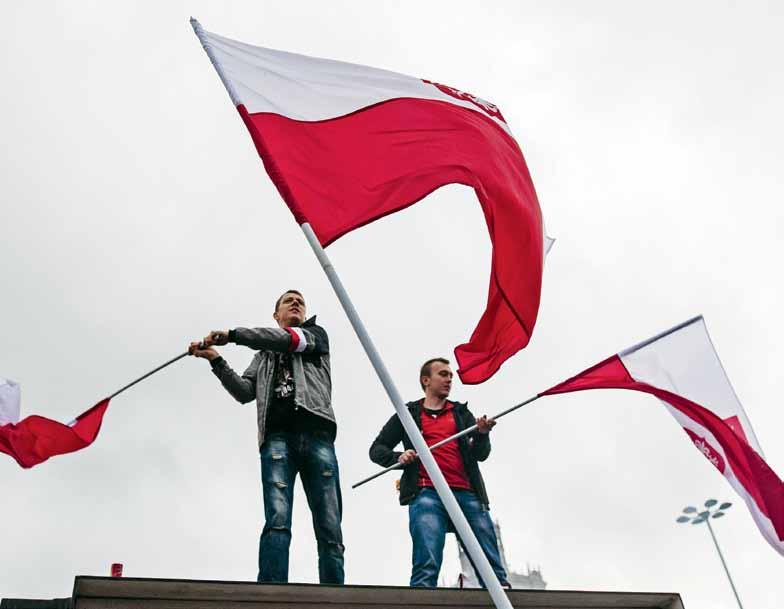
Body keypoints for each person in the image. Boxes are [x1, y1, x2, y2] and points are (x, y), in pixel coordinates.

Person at [189, 290, 344, 584]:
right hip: (277, 439)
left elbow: (287, 340)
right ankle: (271, 593)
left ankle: (334, 594)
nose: (296, 303)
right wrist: (215, 359)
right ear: (276, 315)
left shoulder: (315, 336)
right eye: (289, 301)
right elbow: (244, 392)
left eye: (300, 300)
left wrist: (233, 335)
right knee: (277, 520)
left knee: (329, 526)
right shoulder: (263, 357)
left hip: (317, 433)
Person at [369, 357, 508, 588]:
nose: (449, 379)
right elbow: (376, 450)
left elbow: (480, 454)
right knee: (427, 560)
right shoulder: (408, 414)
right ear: (426, 380)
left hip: (467, 493)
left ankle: (500, 595)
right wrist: (398, 457)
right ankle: (423, 598)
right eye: (443, 374)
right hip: (426, 493)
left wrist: (482, 434)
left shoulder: (460, 413)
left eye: (451, 376)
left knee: (489, 560)